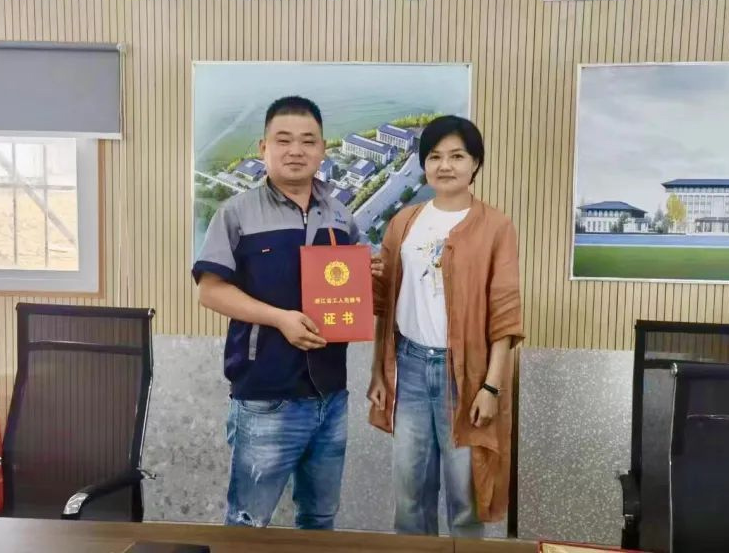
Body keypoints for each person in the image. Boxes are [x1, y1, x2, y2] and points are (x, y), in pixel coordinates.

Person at [193, 95, 382, 529]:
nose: (296, 150)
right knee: (249, 522)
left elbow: (351, 287)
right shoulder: (237, 213)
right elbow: (210, 291)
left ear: (322, 149)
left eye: (308, 141)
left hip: (331, 397)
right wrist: (280, 319)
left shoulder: (340, 215)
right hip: (266, 397)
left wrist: (368, 273)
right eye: (283, 140)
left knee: (319, 517)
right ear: (264, 148)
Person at [367, 115, 524, 537]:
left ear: (476, 164)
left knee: (465, 500)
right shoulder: (404, 222)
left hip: (468, 376)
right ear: (424, 165)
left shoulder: (496, 227)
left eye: (457, 156)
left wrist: (492, 388)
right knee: (409, 498)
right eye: (435, 157)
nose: (445, 165)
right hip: (410, 368)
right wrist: (379, 371)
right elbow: (384, 305)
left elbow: (505, 314)